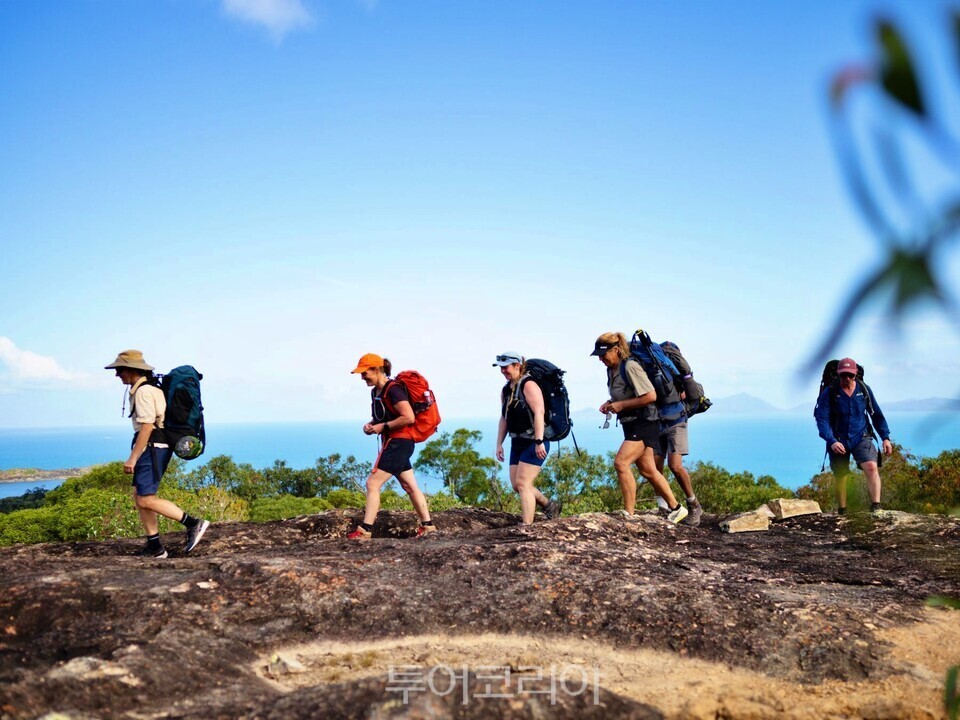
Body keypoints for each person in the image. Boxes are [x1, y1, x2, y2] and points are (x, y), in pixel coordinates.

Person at [105, 350, 210, 558]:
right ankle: (155, 546)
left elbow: (147, 427)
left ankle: (193, 523)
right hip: (151, 446)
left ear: (132, 369)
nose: (118, 374)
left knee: (145, 499)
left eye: (120, 369)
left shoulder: (144, 392)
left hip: (153, 447)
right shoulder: (144, 388)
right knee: (139, 495)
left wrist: (133, 458)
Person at [592, 333, 688, 523]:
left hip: (645, 422)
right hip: (631, 423)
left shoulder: (630, 366)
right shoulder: (612, 369)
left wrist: (621, 406)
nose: (601, 359)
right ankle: (677, 509)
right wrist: (611, 402)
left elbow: (650, 396)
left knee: (621, 463)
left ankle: (629, 513)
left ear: (617, 350)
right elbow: (625, 393)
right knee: (648, 470)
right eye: (599, 356)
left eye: (604, 355)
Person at [347, 353, 436, 539]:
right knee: (409, 485)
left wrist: (383, 427)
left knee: (372, 484)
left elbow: (408, 417)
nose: (362, 377)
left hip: (399, 442)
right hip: (395, 442)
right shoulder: (376, 392)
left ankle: (365, 531)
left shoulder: (394, 390)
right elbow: (384, 417)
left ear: (377, 370)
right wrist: (372, 424)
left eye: (365, 373)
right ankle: (428, 526)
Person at [814, 356, 893, 514]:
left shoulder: (864, 389)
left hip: (861, 436)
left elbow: (876, 414)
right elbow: (821, 419)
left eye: (850, 375)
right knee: (840, 475)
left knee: (871, 466)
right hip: (838, 439)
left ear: (855, 374)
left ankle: (876, 507)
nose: (847, 378)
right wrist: (832, 441)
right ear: (838, 374)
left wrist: (885, 437)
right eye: (843, 375)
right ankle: (842, 510)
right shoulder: (830, 392)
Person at [494, 352, 562, 525]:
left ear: (517, 365)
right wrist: (499, 444)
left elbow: (539, 412)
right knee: (518, 486)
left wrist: (539, 442)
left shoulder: (529, 384)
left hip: (534, 441)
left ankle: (527, 526)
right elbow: (504, 417)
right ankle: (549, 505)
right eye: (501, 367)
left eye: (506, 367)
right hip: (517, 441)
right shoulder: (506, 389)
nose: (503, 371)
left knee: (523, 483)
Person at [654, 418, 703, 526]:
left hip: (676, 421)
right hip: (656, 422)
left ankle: (693, 504)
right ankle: (663, 508)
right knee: (655, 468)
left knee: (675, 466)